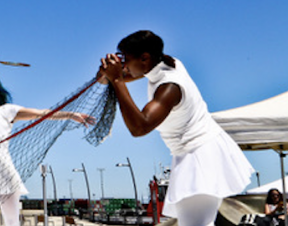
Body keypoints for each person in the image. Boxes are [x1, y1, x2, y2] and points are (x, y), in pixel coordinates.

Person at [97, 30, 254, 226]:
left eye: (126, 60)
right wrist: (109, 74)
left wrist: (117, 80)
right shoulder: (167, 63)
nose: (124, 66)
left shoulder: (169, 87)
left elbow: (140, 127)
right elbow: (117, 76)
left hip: (201, 155)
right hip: (194, 151)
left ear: (144, 58)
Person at [0, 56, 95, 226]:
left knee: (12, 223)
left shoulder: (7, 111)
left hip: (3, 174)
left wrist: (70, 115)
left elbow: (41, 113)